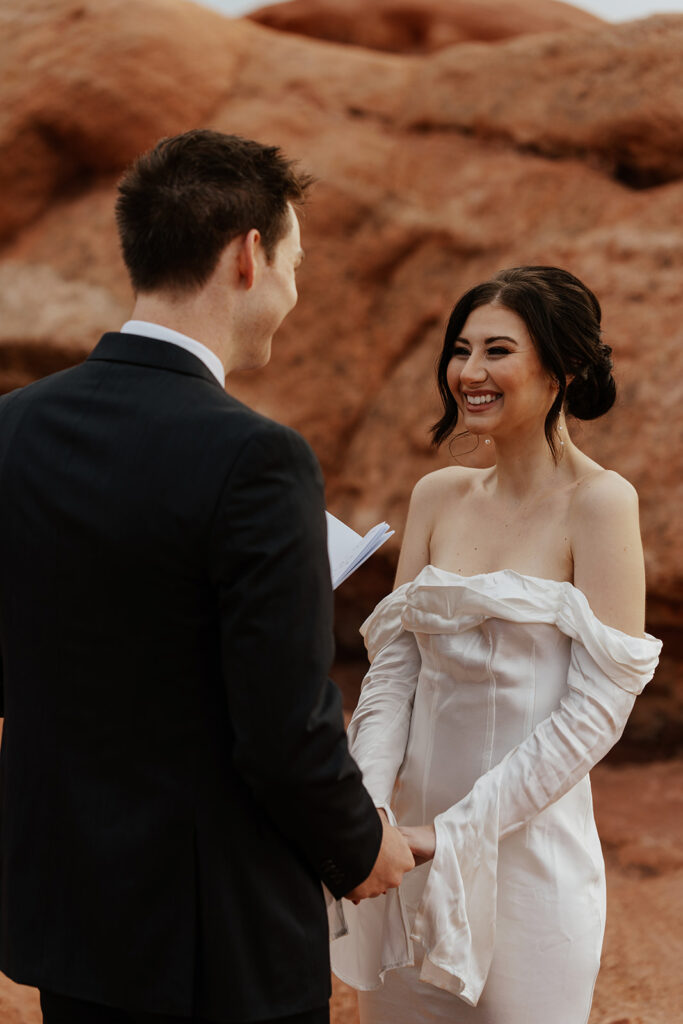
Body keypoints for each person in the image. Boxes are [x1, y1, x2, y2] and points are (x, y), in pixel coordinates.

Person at [0, 129, 414, 1024]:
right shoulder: (257, 458)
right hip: (215, 942)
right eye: (295, 263)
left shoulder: (13, 427)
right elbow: (283, 728)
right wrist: (359, 844)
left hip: (69, 916)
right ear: (248, 254)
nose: (294, 292)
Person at [330, 266, 662, 1023]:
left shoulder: (601, 503)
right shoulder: (435, 495)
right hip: (397, 861)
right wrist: (369, 807)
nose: (469, 373)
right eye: (460, 349)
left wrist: (446, 834)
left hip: (527, 868)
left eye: (497, 351)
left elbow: (595, 713)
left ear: (561, 369)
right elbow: (391, 676)